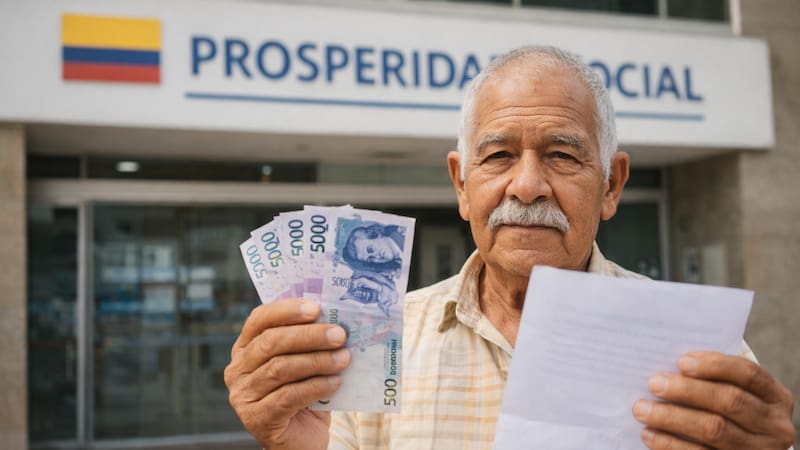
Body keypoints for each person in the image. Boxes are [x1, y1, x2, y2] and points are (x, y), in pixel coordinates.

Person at [224, 46, 796, 450]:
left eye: (563, 155)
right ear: (461, 185)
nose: (526, 186)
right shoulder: (379, 346)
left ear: (612, 185)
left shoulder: (698, 352)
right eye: (498, 156)